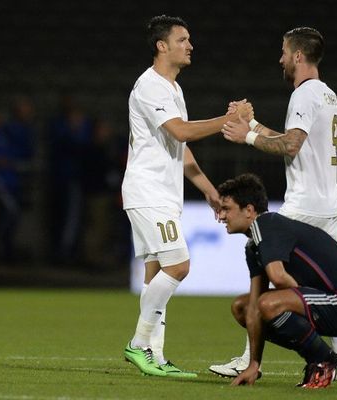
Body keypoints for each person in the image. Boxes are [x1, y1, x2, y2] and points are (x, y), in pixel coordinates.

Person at [211, 27, 337, 381]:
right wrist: (255, 123)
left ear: (297, 56)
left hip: (303, 204)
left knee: (263, 267)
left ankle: (250, 359)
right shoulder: (327, 94)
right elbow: (296, 140)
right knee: (329, 283)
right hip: (329, 203)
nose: (280, 59)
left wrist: (245, 136)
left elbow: (290, 147)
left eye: (283, 52)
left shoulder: (303, 95)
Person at [121, 15, 253, 379]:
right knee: (178, 266)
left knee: (154, 276)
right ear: (162, 46)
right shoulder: (150, 86)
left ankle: (155, 356)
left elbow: (180, 150)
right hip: (148, 192)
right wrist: (228, 118)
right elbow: (180, 132)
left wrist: (210, 191)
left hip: (162, 193)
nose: (189, 45)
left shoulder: (173, 89)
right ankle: (138, 343)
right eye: (182, 39)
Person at [216, 173, 337, 388]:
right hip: (323, 301)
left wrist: (292, 302)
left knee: (269, 305)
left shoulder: (266, 224)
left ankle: (327, 361)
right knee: (243, 306)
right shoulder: (253, 244)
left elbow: (278, 278)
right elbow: (253, 307)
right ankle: (320, 359)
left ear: (249, 210)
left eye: (226, 209)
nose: (221, 216)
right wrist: (253, 364)